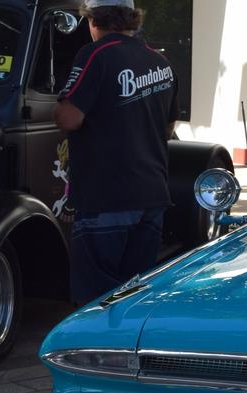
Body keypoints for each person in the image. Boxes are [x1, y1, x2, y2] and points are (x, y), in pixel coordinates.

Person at [54, 0, 178, 305]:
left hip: (107, 196)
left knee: (97, 301)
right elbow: (169, 127)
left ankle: (95, 353)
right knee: (134, 295)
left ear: (93, 20)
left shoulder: (95, 54)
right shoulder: (159, 61)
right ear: (131, 18)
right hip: (152, 195)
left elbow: (70, 118)